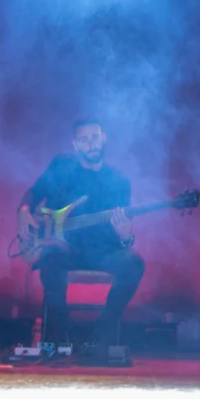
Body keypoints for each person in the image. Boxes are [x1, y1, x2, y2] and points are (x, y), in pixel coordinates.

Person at [18, 119, 145, 361]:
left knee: (134, 263)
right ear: (75, 144)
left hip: (103, 252)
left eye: (95, 137)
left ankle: (101, 335)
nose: (91, 144)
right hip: (64, 250)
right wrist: (23, 210)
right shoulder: (61, 167)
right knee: (50, 261)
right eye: (85, 139)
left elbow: (123, 239)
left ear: (104, 138)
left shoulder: (119, 180)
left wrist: (127, 237)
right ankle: (62, 336)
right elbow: (34, 193)